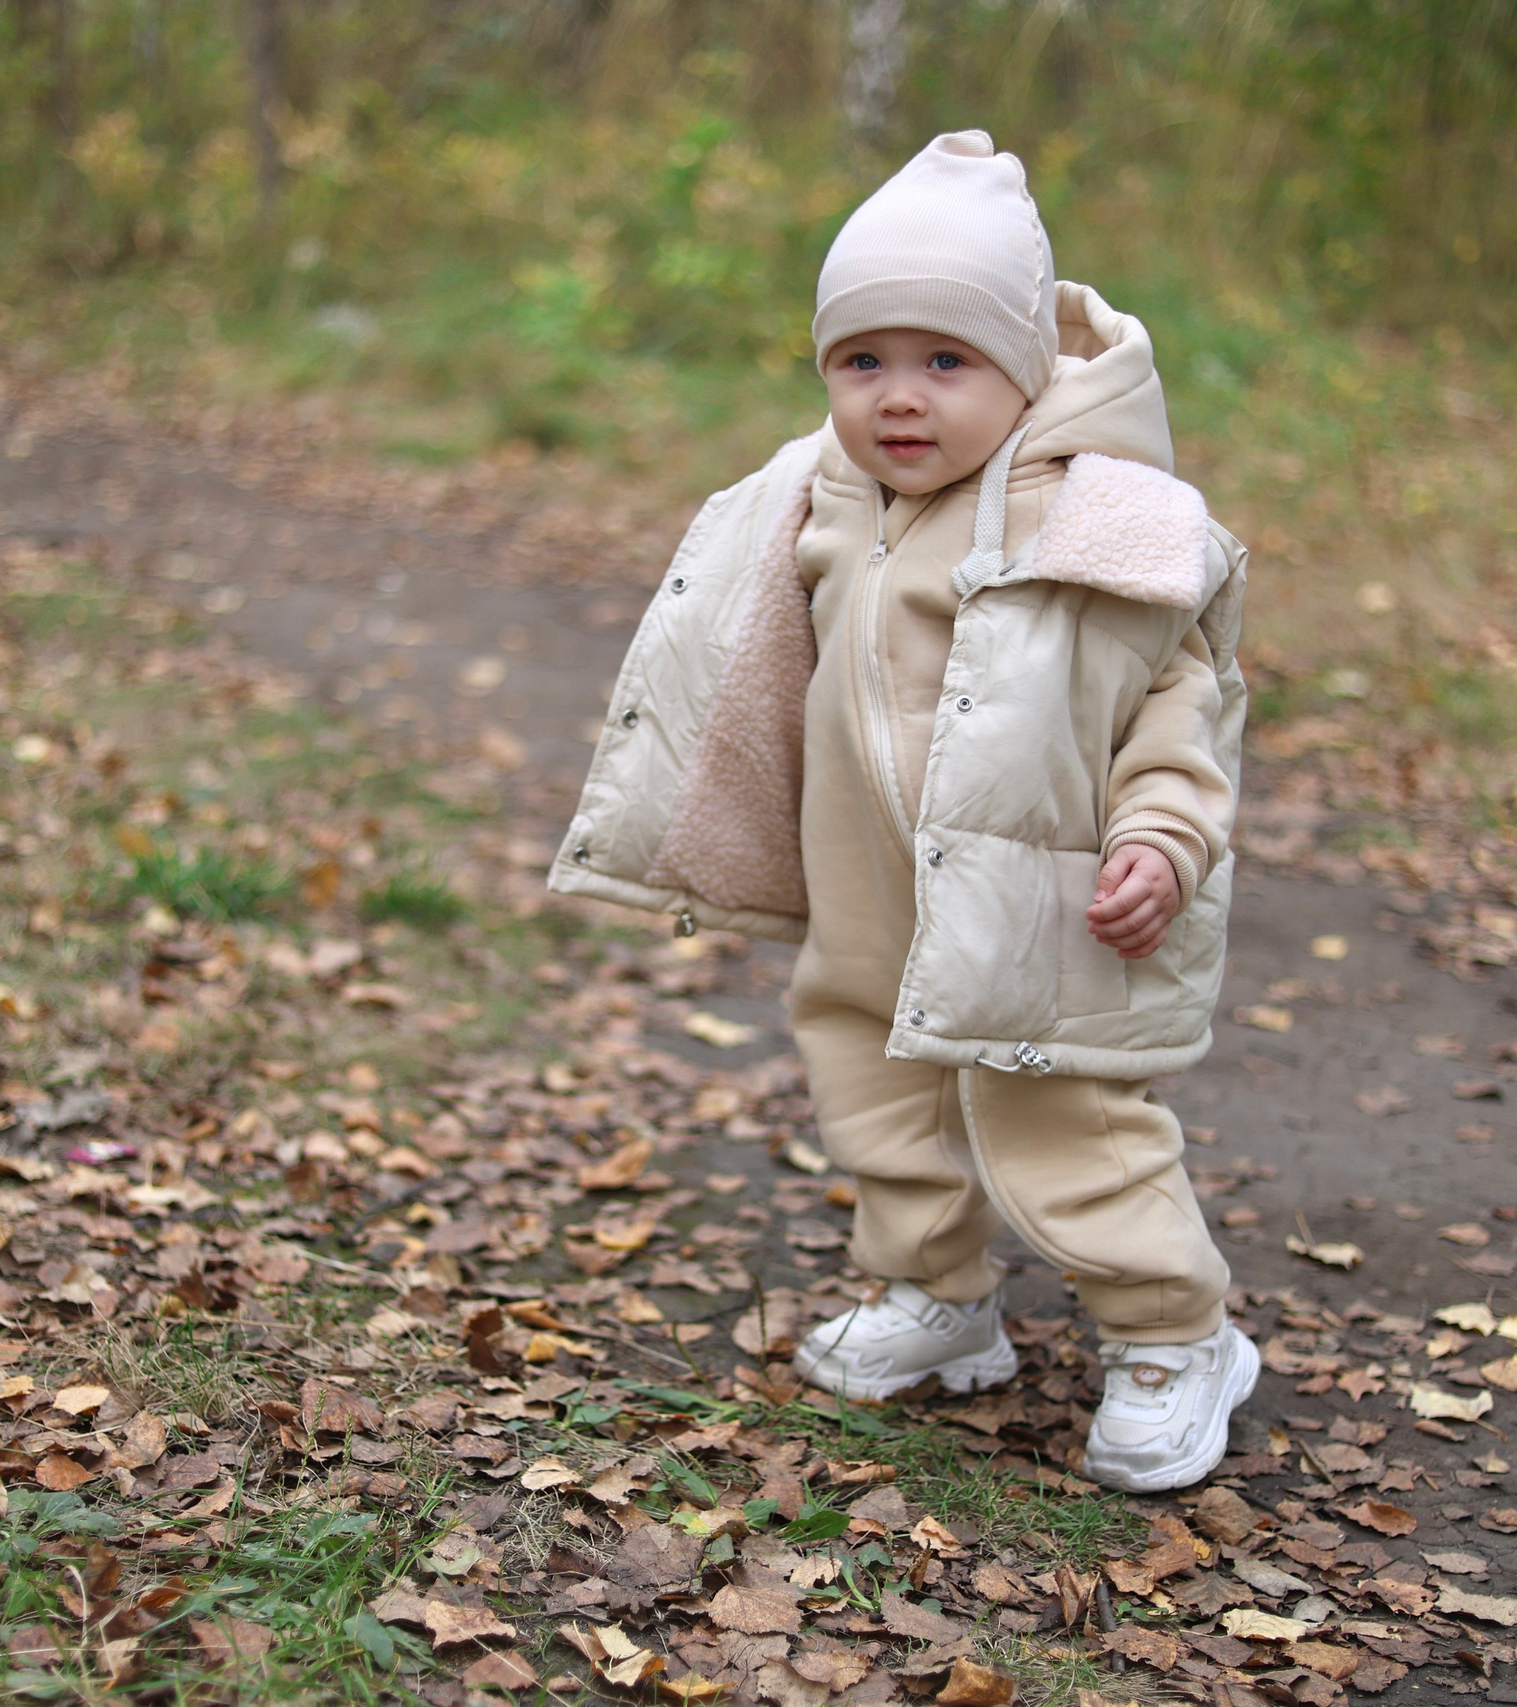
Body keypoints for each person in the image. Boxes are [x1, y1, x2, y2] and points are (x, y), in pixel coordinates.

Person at [550, 131, 1256, 1492]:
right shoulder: (821, 495)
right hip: (869, 883)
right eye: (861, 361)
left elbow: (1180, 702)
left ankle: (1178, 1335)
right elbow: (748, 649)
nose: (899, 398)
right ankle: (937, 1298)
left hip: (1047, 888)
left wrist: (1162, 837)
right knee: (877, 1093)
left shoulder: (1102, 514)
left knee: (1071, 1118)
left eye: (946, 360)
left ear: (1026, 371)